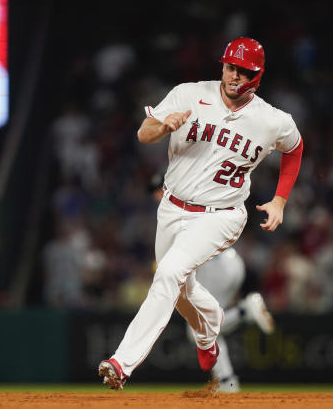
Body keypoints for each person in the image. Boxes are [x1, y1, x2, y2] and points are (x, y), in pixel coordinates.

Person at [98, 37, 303, 390]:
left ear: (257, 75)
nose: (234, 75)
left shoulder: (272, 120)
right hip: (172, 207)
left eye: (242, 70)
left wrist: (280, 200)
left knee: (168, 273)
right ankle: (209, 334)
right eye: (229, 67)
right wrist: (163, 126)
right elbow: (143, 133)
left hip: (221, 215)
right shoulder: (189, 94)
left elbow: (295, 148)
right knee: (181, 291)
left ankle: (121, 362)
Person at [149, 172, 275, 392]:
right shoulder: (191, 195)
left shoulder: (178, 204)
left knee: (199, 328)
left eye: (159, 190)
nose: (157, 196)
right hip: (229, 262)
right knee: (210, 329)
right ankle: (227, 381)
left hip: (215, 267)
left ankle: (245, 311)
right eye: (155, 192)